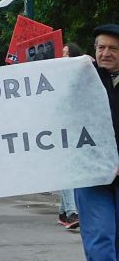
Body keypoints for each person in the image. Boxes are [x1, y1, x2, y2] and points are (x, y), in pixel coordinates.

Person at [74, 24, 119, 261]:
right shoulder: (81, 79)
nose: (105, 53)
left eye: (113, 49)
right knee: (100, 235)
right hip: (91, 174)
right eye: (100, 47)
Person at [57, 42, 83, 230]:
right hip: (59, 130)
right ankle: (72, 213)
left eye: (67, 53)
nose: (63, 56)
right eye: (62, 53)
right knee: (67, 172)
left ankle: (64, 212)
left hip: (77, 130)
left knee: (70, 172)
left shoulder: (82, 76)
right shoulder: (57, 77)